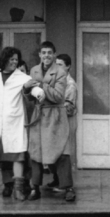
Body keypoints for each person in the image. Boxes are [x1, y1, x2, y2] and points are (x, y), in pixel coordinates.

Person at [0, 47, 38, 201]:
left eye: (16, 59)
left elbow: (33, 91)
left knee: (17, 155)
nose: (14, 62)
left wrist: (35, 91)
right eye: (11, 59)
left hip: (14, 123)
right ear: (4, 59)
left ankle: (17, 191)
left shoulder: (22, 77)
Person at [26, 41, 73, 201]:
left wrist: (41, 85)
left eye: (49, 53)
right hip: (39, 115)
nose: (46, 55)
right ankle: (35, 188)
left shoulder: (60, 72)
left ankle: (68, 188)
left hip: (56, 116)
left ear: (54, 55)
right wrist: (26, 89)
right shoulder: (33, 70)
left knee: (62, 152)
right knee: (36, 152)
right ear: (40, 54)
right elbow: (31, 97)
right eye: (43, 52)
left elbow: (59, 96)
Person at [45, 54, 77, 198]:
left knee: (63, 152)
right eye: (55, 65)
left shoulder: (70, 84)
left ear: (68, 67)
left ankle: (66, 186)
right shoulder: (55, 80)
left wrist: (54, 104)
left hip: (66, 120)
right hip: (55, 120)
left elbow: (69, 107)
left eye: (60, 65)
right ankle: (57, 179)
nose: (57, 68)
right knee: (52, 150)